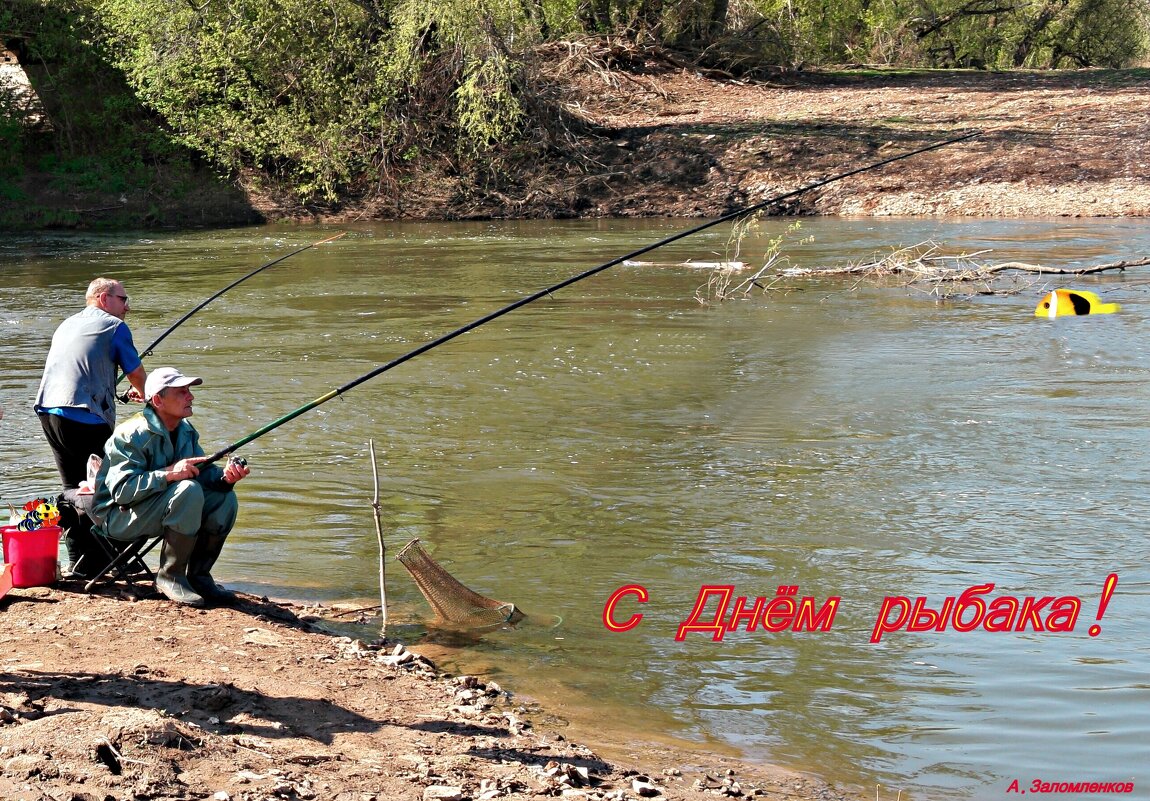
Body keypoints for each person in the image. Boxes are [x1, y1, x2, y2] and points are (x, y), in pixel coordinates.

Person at [90, 367, 250, 607]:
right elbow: (122, 492)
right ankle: (170, 576)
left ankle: (199, 577)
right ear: (157, 400)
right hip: (118, 516)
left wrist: (225, 478)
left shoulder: (185, 430)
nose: (191, 397)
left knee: (224, 499)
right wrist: (169, 474)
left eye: (189, 391)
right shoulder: (129, 435)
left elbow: (199, 473)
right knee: (188, 490)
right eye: (182, 392)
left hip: (158, 505)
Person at [35, 277, 147, 577]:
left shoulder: (67, 324)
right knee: (107, 488)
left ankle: (82, 563)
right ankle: (120, 559)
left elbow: (81, 369)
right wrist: (151, 398)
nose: (127, 307)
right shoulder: (114, 327)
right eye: (123, 299)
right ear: (103, 298)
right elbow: (135, 371)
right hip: (84, 417)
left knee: (74, 487)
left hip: (49, 412)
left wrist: (118, 393)